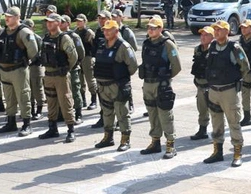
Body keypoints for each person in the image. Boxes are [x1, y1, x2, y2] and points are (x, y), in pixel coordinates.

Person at [202, 21, 249, 167]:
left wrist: (234, 78)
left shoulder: (234, 48)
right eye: (215, 29)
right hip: (214, 91)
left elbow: (245, 67)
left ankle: (237, 153)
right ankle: (217, 152)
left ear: (227, 32)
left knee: (234, 122)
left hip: (229, 91)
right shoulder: (212, 47)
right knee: (216, 122)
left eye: (219, 30)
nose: (216, 32)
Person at [92, 20, 139, 151]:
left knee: (122, 113)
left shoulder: (124, 46)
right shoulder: (102, 44)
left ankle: (125, 139)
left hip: (117, 85)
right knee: (106, 112)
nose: (106, 32)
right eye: (105, 30)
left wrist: (121, 77)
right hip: (103, 86)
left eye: (109, 29)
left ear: (116, 31)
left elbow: (133, 66)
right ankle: (108, 137)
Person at [139, 16, 182, 159]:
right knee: (152, 113)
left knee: (165, 114)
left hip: (161, 84)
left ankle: (170, 144)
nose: (150, 30)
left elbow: (177, 66)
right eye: (149, 27)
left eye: (154, 28)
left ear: (160, 29)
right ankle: (155, 141)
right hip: (148, 83)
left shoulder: (167, 44)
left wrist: (166, 78)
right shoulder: (146, 43)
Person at [0, 8, 39, 136]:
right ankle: (11, 122)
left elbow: (33, 50)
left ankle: (27, 124)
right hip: (5, 70)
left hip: (18, 70)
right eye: (6, 16)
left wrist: (25, 61)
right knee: (9, 97)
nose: (6, 18)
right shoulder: (4, 32)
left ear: (17, 17)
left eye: (10, 16)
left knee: (23, 96)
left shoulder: (24, 32)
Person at [38, 14, 79, 142]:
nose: (48, 24)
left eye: (51, 22)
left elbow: (73, 57)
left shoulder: (64, 38)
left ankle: (71, 129)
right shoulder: (46, 37)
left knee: (65, 101)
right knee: (51, 102)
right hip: (48, 74)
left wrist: (66, 69)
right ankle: (52, 128)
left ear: (58, 23)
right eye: (47, 22)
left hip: (60, 76)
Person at [189, 26, 214, 141]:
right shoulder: (197, 49)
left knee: (215, 110)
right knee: (202, 108)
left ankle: (218, 131)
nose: (203, 37)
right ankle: (202, 130)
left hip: (212, 86)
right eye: (202, 35)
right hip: (200, 84)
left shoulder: (214, 50)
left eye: (206, 35)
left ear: (212, 37)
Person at [60, 15, 85, 123]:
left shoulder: (74, 36)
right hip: (61, 69)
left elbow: (81, 52)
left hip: (72, 68)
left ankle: (78, 113)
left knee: (75, 90)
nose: (60, 24)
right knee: (62, 93)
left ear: (68, 24)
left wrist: (74, 64)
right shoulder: (57, 36)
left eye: (63, 22)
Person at [237, 20, 251, 127]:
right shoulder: (241, 39)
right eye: (242, 28)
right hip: (245, 73)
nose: (243, 29)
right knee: (245, 96)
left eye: (245, 27)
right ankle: (247, 117)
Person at [74, 14, 98, 110]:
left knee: (90, 80)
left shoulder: (89, 32)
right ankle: (82, 100)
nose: (78, 23)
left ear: (85, 21)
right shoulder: (75, 32)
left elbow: (93, 46)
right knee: (79, 81)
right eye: (77, 21)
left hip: (87, 57)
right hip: (78, 58)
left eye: (80, 21)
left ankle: (94, 100)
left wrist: (93, 57)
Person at [25, 17, 44, 120]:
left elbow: (40, 52)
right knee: (28, 90)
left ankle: (39, 110)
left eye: (29, 26)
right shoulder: (23, 37)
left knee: (37, 88)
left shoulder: (37, 38)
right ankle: (31, 109)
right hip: (26, 67)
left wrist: (34, 60)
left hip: (35, 66)